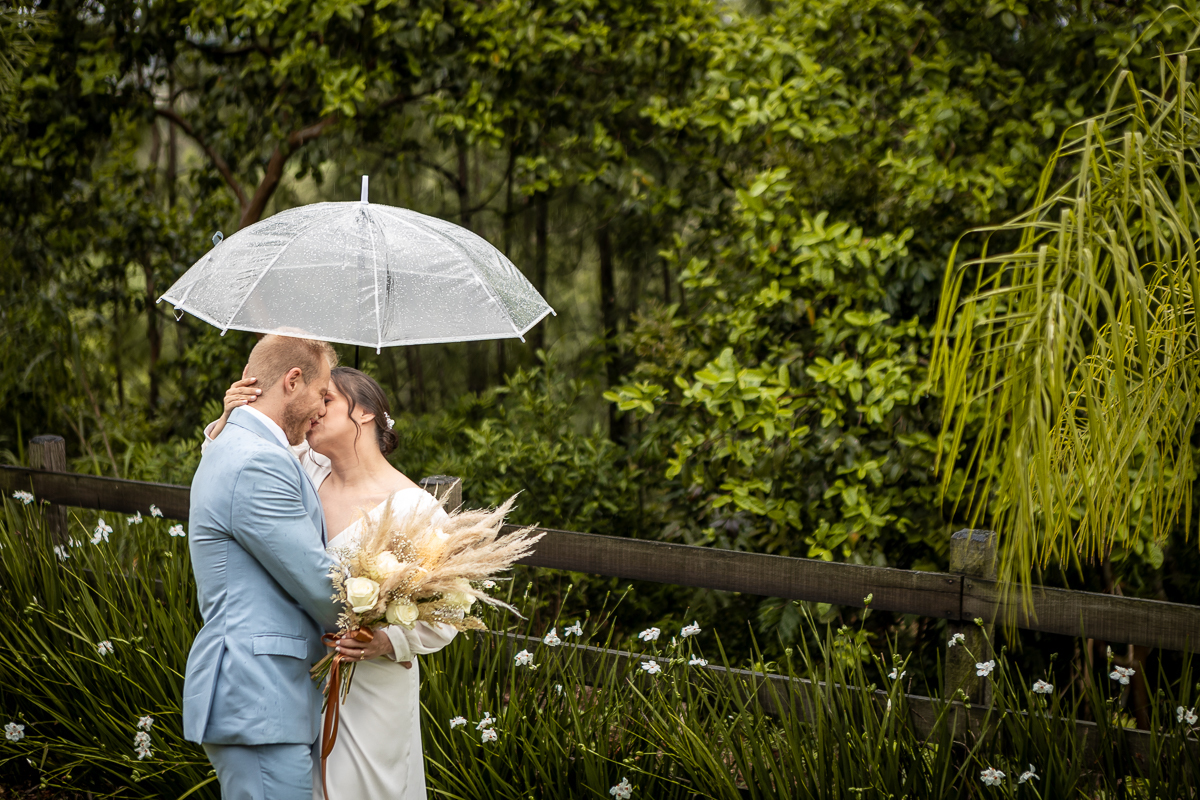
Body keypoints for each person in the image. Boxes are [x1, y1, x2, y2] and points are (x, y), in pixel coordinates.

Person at [203, 364, 458, 800]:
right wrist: (231, 418)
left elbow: (449, 613)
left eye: (328, 400)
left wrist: (385, 641)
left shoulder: (416, 509)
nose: (315, 409)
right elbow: (232, 469)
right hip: (298, 675)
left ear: (364, 413)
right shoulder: (304, 468)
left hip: (373, 685)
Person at [184, 334, 341, 800]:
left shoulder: (234, 444)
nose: (323, 408)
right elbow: (317, 581)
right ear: (293, 381)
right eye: (323, 394)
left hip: (264, 697)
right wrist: (385, 615)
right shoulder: (256, 461)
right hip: (259, 696)